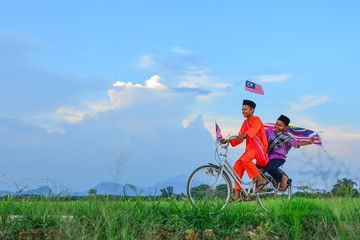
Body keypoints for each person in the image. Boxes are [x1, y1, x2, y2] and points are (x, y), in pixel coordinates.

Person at [221, 99, 269, 200]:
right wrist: (228, 141)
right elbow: (239, 138)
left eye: (245, 109)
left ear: (252, 110)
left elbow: (253, 130)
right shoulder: (245, 122)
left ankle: (261, 180)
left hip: (259, 148)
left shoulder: (257, 120)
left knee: (245, 160)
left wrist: (245, 134)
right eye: (242, 109)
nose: (243, 111)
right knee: (237, 166)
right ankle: (238, 193)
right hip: (250, 149)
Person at [265, 115, 315, 191]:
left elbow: (298, 143)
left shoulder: (287, 138)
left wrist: (309, 142)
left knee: (270, 168)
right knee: (257, 169)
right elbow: (258, 133)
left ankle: (283, 178)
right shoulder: (269, 131)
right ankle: (273, 179)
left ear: (285, 128)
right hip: (267, 157)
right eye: (276, 124)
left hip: (279, 158)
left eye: (280, 125)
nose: (277, 126)